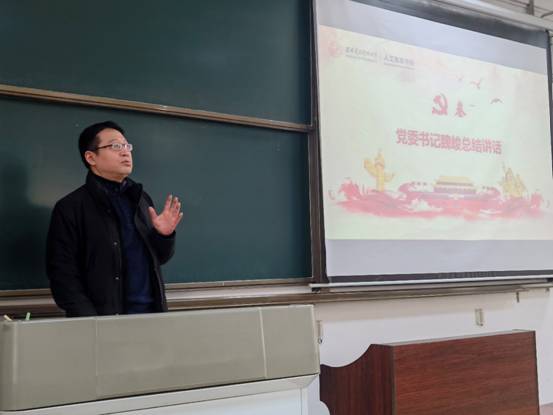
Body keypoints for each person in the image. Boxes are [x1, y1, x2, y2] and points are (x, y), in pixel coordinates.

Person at [46, 121, 182, 317]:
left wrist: (163, 236)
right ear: (91, 157)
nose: (125, 152)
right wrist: (93, 322)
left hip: (152, 316)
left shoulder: (140, 199)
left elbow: (159, 259)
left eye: (127, 146)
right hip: (103, 323)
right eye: (116, 146)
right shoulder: (71, 207)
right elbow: (63, 275)